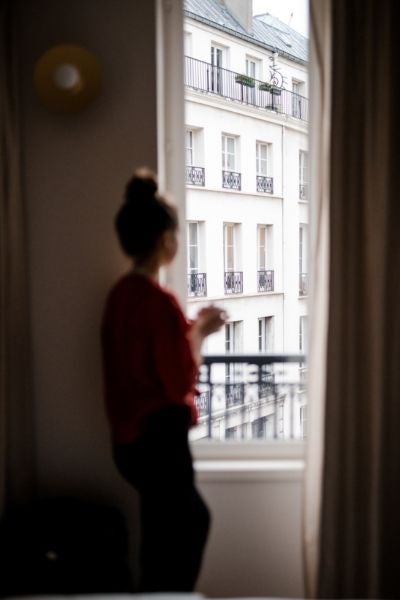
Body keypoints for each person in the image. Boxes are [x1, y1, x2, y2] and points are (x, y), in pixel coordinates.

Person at [101, 168, 226, 592]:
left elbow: (140, 358)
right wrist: (201, 335)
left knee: (160, 534)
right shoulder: (159, 302)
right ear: (167, 241)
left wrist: (187, 330)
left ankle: (159, 595)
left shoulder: (120, 296)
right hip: (159, 441)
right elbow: (176, 383)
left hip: (128, 442)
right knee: (191, 524)